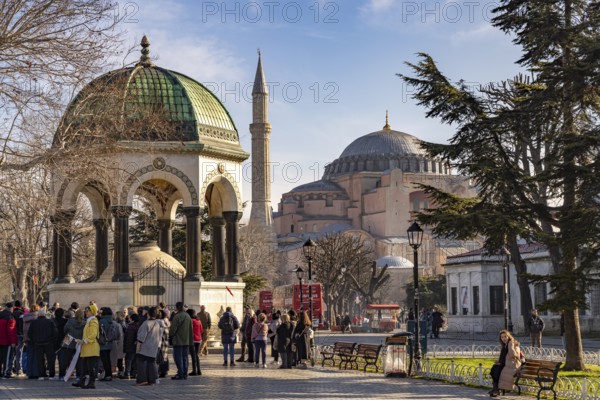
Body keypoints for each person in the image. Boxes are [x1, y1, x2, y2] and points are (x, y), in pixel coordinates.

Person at [489, 329, 522, 397]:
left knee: (497, 371)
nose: (504, 338)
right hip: (505, 363)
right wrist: (498, 361)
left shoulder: (511, 343)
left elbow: (512, 355)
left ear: (508, 336)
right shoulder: (505, 345)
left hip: (511, 364)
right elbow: (503, 356)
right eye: (502, 337)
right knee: (493, 370)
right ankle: (496, 389)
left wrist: (511, 345)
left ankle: (496, 389)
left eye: (505, 336)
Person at [135, 307, 163, 386]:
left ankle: (142, 380)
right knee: (151, 364)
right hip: (154, 346)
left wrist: (138, 345)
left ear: (148, 314)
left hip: (145, 347)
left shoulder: (146, 323)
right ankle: (152, 380)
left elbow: (141, 336)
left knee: (141, 363)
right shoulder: (157, 323)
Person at [74, 305, 100, 389]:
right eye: (86, 311)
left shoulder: (93, 321)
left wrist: (84, 340)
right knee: (84, 366)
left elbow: (93, 334)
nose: (86, 313)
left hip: (91, 347)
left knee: (91, 367)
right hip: (87, 347)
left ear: (92, 312)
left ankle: (92, 383)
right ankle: (82, 381)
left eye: (88, 311)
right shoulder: (89, 321)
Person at [28, 308, 57, 380]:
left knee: (40, 360)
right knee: (50, 359)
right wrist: (53, 341)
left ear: (38, 314)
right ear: (44, 314)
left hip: (37, 343)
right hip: (48, 343)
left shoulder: (34, 322)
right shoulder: (50, 322)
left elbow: (29, 333)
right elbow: (55, 333)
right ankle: (51, 374)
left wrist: (34, 340)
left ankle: (41, 374)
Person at [169, 301, 193, 380]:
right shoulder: (188, 316)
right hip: (186, 340)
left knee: (178, 358)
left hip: (178, 340)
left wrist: (170, 335)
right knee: (185, 357)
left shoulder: (177, 317)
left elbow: (173, 329)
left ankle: (181, 373)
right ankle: (185, 373)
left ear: (177, 307)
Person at [62, 309, 85, 382]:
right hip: (79, 341)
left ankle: (62, 375)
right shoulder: (85, 323)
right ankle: (78, 375)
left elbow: (65, 329)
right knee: (79, 360)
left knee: (65, 359)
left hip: (68, 339)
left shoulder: (70, 320)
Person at [0, 302, 17, 379]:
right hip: (7, 341)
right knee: (7, 358)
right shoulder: (10, 318)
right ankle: (6, 372)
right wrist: (13, 341)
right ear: (11, 308)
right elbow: (11, 331)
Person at [121, 313, 139, 380]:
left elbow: (129, 338)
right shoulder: (138, 325)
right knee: (134, 360)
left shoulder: (131, 327)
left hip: (130, 346)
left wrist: (126, 347)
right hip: (136, 346)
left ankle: (127, 373)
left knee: (128, 360)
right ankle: (134, 373)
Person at [98, 307, 114, 381]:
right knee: (108, 359)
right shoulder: (112, 320)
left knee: (105, 361)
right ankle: (109, 374)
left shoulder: (102, 321)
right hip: (110, 343)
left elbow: (99, 332)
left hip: (103, 343)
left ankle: (107, 375)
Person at [187, 308, 203, 376]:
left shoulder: (191, 321)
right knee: (196, 355)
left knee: (193, 356)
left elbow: (188, 330)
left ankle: (194, 371)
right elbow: (201, 330)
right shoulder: (198, 320)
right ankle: (199, 370)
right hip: (199, 339)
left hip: (192, 339)